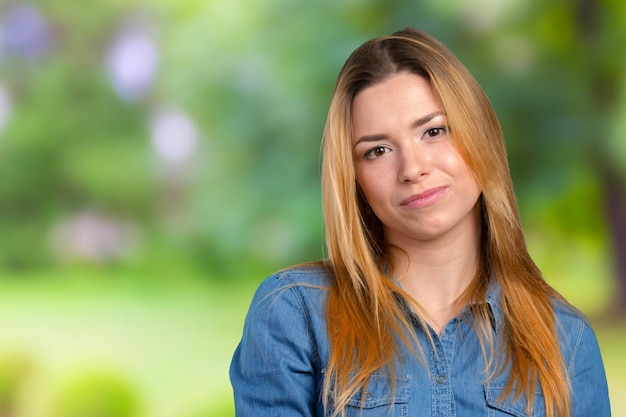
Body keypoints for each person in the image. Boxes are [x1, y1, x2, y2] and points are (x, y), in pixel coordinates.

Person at [229, 27, 611, 417]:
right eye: (377, 150)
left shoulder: (567, 339)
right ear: (353, 176)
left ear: (480, 135)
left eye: (433, 131)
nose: (412, 169)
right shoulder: (295, 314)